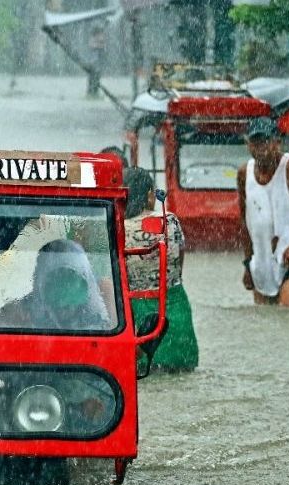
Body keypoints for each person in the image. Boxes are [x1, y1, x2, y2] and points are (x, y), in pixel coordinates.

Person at [116, 152, 199, 371]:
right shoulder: (169, 221)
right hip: (174, 307)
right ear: (149, 195)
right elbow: (178, 265)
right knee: (183, 377)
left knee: (146, 374)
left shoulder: (118, 229)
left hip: (139, 315)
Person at [237, 117, 289, 307]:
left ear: (277, 141)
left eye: (265, 141)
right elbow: (245, 222)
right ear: (248, 144)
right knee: (265, 320)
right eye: (255, 142)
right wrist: (247, 265)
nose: (261, 147)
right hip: (263, 261)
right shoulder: (244, 173)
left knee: (287, 309)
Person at [86, 25, 107, 99]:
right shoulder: (94, 45)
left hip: (96, 67)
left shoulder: (99, 49)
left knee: (96, 78)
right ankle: (92, 92)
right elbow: (94, 46)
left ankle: (93, 92)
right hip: (94, 67)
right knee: (93, 78)